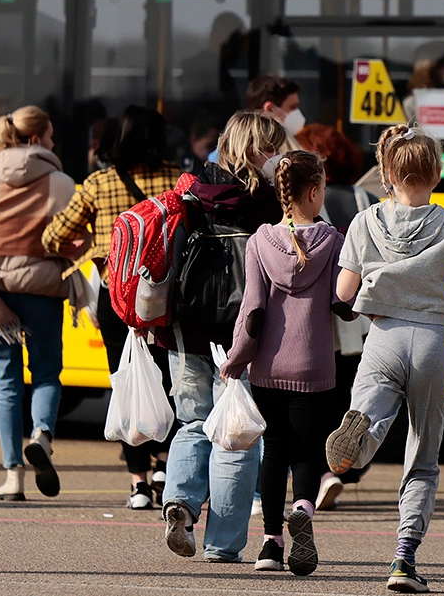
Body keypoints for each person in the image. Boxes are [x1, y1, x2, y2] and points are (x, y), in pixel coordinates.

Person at [326, 124, 444, 593]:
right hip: (433, 341)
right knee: (423, 456)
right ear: (435, 175)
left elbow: (344, 293)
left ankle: (359, 439)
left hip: (383, 337)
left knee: (371, 419)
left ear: (387, 174)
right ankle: (404, 558)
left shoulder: (365, 221)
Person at [159, 111, 287, 564]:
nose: (279, 156)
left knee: (192, 422)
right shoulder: (273, 204)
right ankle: (222, 544)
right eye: (275, 148)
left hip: (188, 330)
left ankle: (179, 500)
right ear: (261, 150)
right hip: (247, 336)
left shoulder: (191, 191)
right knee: (236, 436)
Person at [42, 105, 182, 509]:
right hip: (166, 296)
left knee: (127, 382)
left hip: (117, 297)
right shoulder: (177, 180)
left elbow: (53, 237)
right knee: (169, 377)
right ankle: (164, 463)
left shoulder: (98, 183)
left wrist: (94, 245)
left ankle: (137, 482)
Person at [221, 150, 345, 576]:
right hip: (314, 366)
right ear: (313, 193)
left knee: (272, 452)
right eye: (324, 188)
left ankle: (271, 544)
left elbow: (253, 311)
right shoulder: (332, 241)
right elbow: (341, 302)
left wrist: (236, 358)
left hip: (268, 368)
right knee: (308, 450)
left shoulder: (259, 241)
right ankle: (304, 509)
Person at [0, 105, 76, 502]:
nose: (55, 142)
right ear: (36, 139)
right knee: (45, 373)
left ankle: (13, 477)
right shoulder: (60, 182)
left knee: (7, 382)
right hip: (42, 289)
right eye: (52, 135)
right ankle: (41, 434)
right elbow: (71, 237)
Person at [295, 123, 378, 510]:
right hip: (357, 314)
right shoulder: (366, 198)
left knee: (314, 399)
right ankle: (335, 468)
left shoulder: (311, 201)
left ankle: (321, 474)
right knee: (344, 394)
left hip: (318, 313)